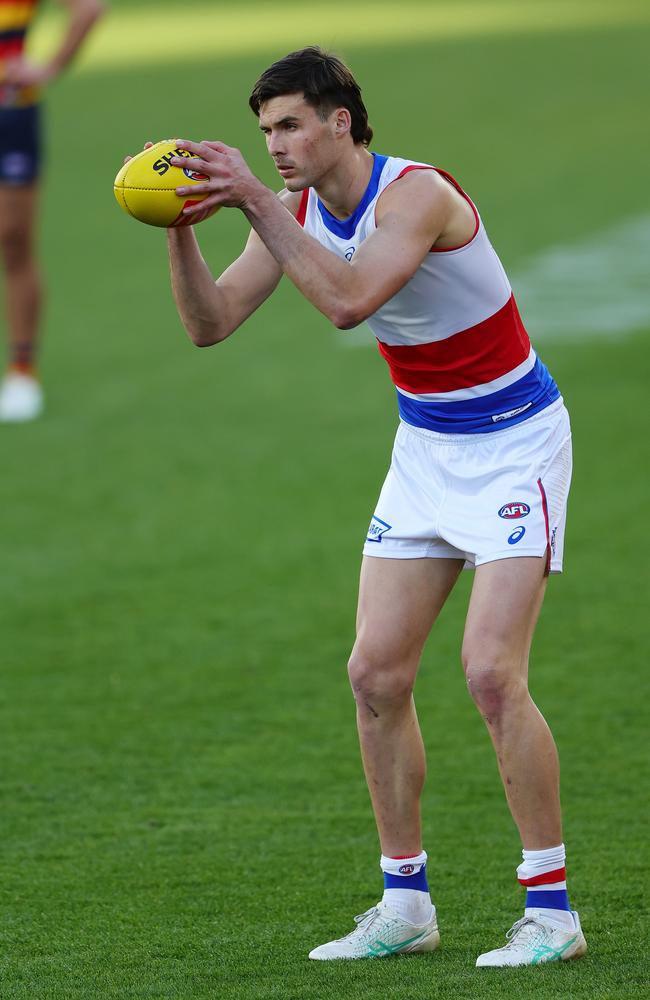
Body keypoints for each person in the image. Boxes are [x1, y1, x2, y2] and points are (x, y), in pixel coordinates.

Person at [160, 46, 587, 967]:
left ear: (340, 123)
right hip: (427, 450)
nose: (271, 146)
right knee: (375, 675)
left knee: (487, 674)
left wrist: (253, 203)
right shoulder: (303, 209)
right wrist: (178, 226)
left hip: (514, 445)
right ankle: (406, 904)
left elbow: (349, 299)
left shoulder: (416, 196)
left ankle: (552, 913)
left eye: (288, 126)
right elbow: (210, 323)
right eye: (263, 131)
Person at [0, 0, 105, 422]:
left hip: (10, 110)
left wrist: (49, 68)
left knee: (12, 238)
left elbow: (89, 9)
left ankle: (23, 370)